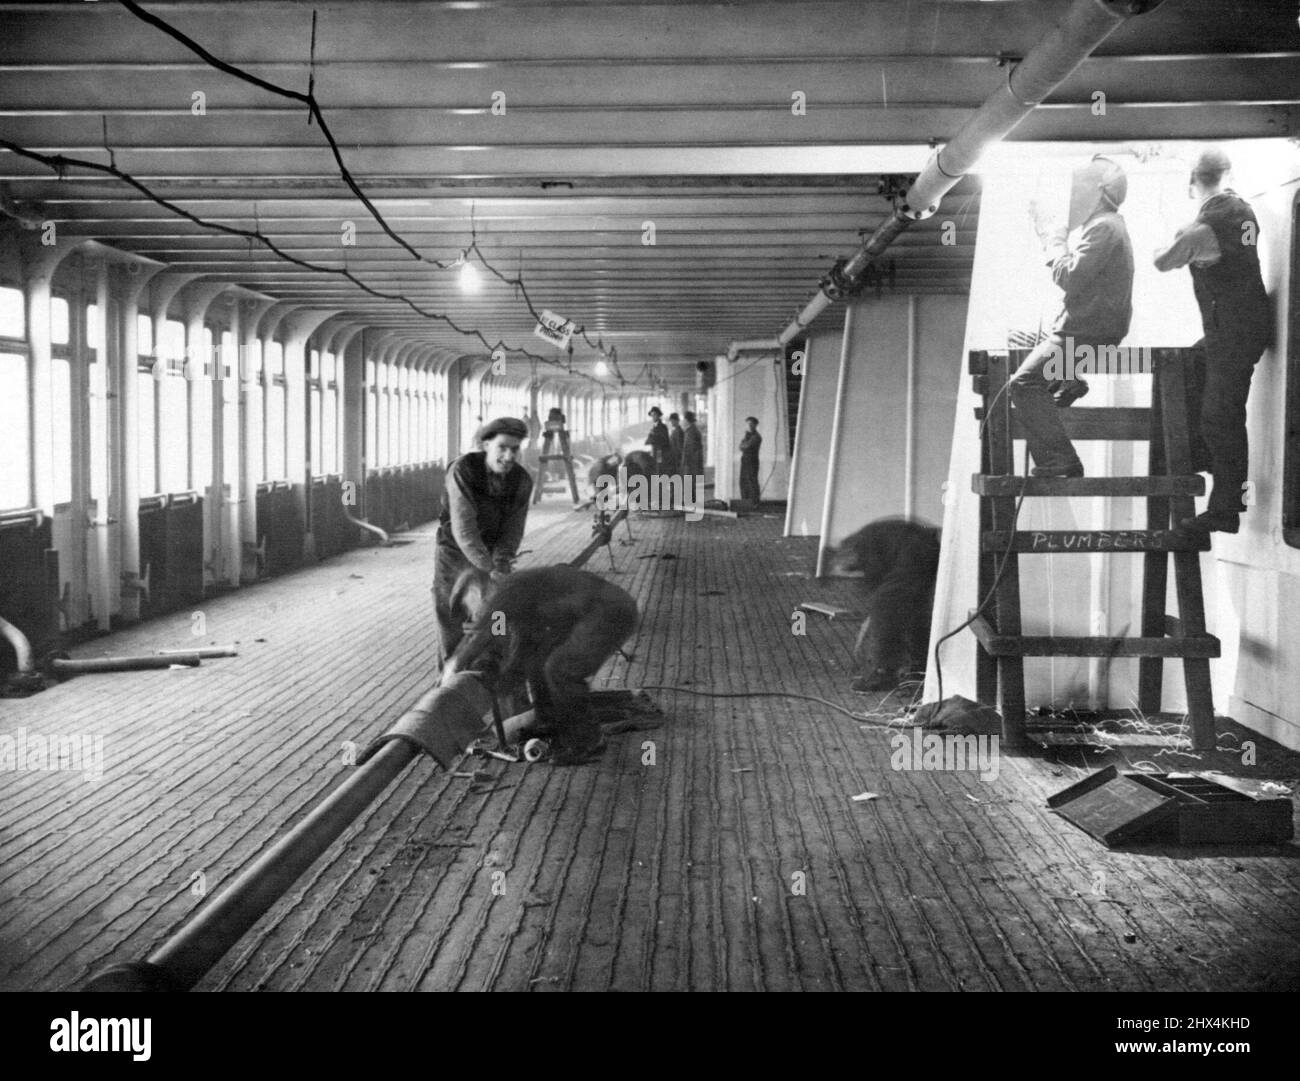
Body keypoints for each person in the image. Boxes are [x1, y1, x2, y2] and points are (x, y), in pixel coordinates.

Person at [1155, 148, 1271, 536]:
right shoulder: (1240, 211)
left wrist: (1173, 242)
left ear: (1192, 183)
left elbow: (1163, 261)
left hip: (1232, 333)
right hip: (1241, 326)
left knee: (1221, 416)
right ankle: (1206, 458)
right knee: (1189, 367)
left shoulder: (1206, 226)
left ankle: (1226, 507)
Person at [1011, 155, 1134, 478]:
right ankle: (1070, 377)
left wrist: (1053, 239)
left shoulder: (1105, 227)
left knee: (1023, 384)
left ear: (1099, 191)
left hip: (1088, 333)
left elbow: (1070, 277)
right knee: (1029, 345)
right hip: (1089, 330)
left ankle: (1060, 460)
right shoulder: (1106, 226)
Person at [446, 565, 639, 766]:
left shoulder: (506, 591)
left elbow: (491, 632)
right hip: (608, 609)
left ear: (476, 592)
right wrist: (500, 684)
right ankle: (550, 722)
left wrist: (456, 664)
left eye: (471, 608)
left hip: (610, 612)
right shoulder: (518, 601)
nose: (474, 616)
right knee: (536, 662)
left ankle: (589, 743)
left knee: (561, 669)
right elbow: (522, 654)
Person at [431, 416, 532, 666]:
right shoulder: (463, 470)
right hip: (455, 549)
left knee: (497, 606)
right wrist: (489, 568)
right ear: (485, 445)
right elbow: (464, 528)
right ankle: (450, 673)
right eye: (502, 447)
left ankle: (495, 664)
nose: (509, 456)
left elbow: (513, 529)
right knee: (451, 608)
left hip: (494, 549)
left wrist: (502, 560)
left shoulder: (521, 480)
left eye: (515, 449)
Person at [739, 415, 762, 506]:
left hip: (752, 462)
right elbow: (741, 446)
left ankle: (754, 503)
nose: (749, 426)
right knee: (743, 481)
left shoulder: (756, 437)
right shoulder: (747, 436)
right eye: (748, 424)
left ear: (755, 425)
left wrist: (744, 444)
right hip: (745, 461)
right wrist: (744, 443)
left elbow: (745, 446)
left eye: (751, 424)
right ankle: (745, 502)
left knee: (752, 481)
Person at [644, 407, 671, 478]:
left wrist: (653, 437)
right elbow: (649, 440)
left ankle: (660, 486)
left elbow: (665, 440)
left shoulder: (663, 427)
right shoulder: (654, 427)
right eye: (652, 415)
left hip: (660, 452)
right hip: (655, 451)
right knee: (655, 469)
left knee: (659, 469)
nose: (653, 417)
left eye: (655, 415)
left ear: (659, 415)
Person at [681, 411, 704, 487]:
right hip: (693, 466)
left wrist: (686, 465)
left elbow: (690, 450)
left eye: (683, 419)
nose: (682, 421)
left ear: (687, 420)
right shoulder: (691, 430)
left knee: (691, 489)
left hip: (691, 467)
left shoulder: (691, 432)